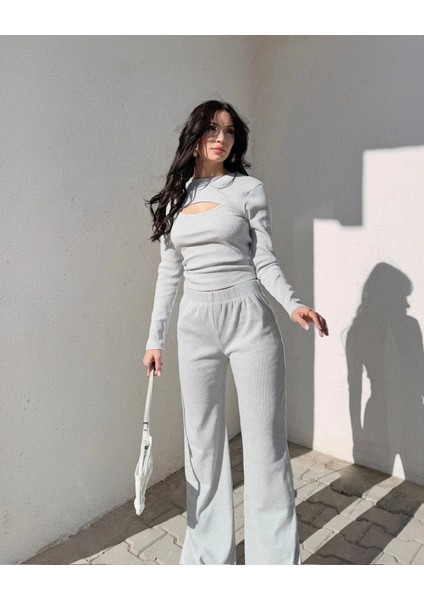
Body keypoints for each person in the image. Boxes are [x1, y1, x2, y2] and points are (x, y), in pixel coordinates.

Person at [142, 99, 329, 565]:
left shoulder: (247, 189)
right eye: (212, 129)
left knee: (265, 448)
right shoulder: (175, 198)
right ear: (195, 136)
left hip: (249, 318)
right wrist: (154, 339)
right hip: (195, 324)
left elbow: (264, 260)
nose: (221, 138)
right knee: (202, 446)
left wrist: (293, 303)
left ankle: (273, 565)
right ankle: (208, 560)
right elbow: (169, 273)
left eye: (228, 131)